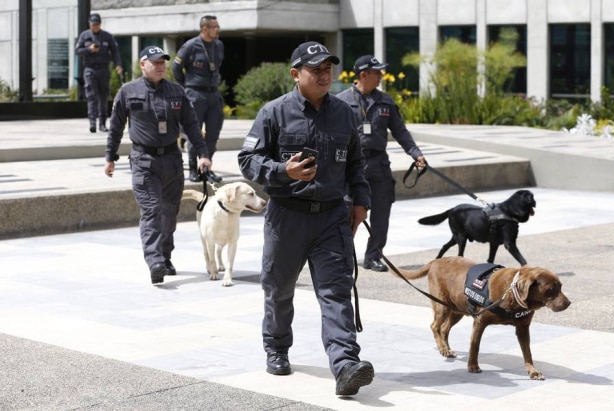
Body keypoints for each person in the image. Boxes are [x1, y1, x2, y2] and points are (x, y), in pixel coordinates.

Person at [237, 41, 374, 396]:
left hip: (331, 217)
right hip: (287, 217)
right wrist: (283, 171)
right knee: (278, 290)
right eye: (316, 69)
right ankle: (277, 346)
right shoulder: (274, 112)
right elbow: (247, 160)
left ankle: (345, 365)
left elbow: (357, 163)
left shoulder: (345, 113)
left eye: (328, 68)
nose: (324, 75)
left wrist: (361, 201)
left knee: (336, 292)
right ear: (296, 74)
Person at [104, 46, 212, 285]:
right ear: (143, 64)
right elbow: (116, 126)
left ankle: (164, 255)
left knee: (169, 213)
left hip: (172, 160)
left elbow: (192, 125)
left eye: (164, 62)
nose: (161, 65)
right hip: (144, 161)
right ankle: (154, 261)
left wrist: (203, 155)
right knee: (151, 210)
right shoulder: (128, 91)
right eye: (155, 62)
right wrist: (110, 157)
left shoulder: (177, 91)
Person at [336, 55, 427, 272]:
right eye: (377, 73)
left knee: (381, 215)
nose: (380, 77)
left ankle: (373, 257)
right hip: (351, 165)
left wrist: (416, 154)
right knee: (348, 213)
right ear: (363, 75)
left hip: (379, 165)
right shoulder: (340, 101)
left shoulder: (386, 101)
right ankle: (343, 258)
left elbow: (400, 131)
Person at [172, 15, 225, 183]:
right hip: (195, 94)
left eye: (217, 26)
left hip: (213, 94)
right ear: (204, 29)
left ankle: (206, 169)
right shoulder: (190, 46)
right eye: (214, 27)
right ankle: (193, 169)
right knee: (193, 133)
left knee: (213, 135)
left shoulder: (218, 45)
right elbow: (176, 68)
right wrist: (186, 87)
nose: (218, 29)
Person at [75, 13, 123, 133]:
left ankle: (102, 123)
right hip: (90, 69)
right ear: (89, 24)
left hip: (103, 69)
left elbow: (115, 51)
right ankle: (92, 123)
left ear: (100, 24)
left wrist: (118, 65)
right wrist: (89, 49)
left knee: (103, 96)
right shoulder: (84, 36)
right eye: (92, 25)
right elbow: (77, 50)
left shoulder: (107, 36)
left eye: (96, 24)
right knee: (91, 96)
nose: (94, 27)